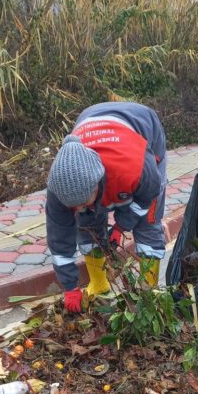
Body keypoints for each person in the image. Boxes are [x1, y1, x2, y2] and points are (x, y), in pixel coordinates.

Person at [46, 101, 167, 312]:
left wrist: (121, 225)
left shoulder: (135, 168)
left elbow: (148, 195)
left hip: (142, 125)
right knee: (87, 222)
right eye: (74, 205)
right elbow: (59, 242)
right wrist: (70, 288)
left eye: (84, 200)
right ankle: (99, 285)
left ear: (98, 181)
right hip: (90, 118)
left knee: (148, 222)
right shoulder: (58, 190)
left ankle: (149, 292)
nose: (80, 206)